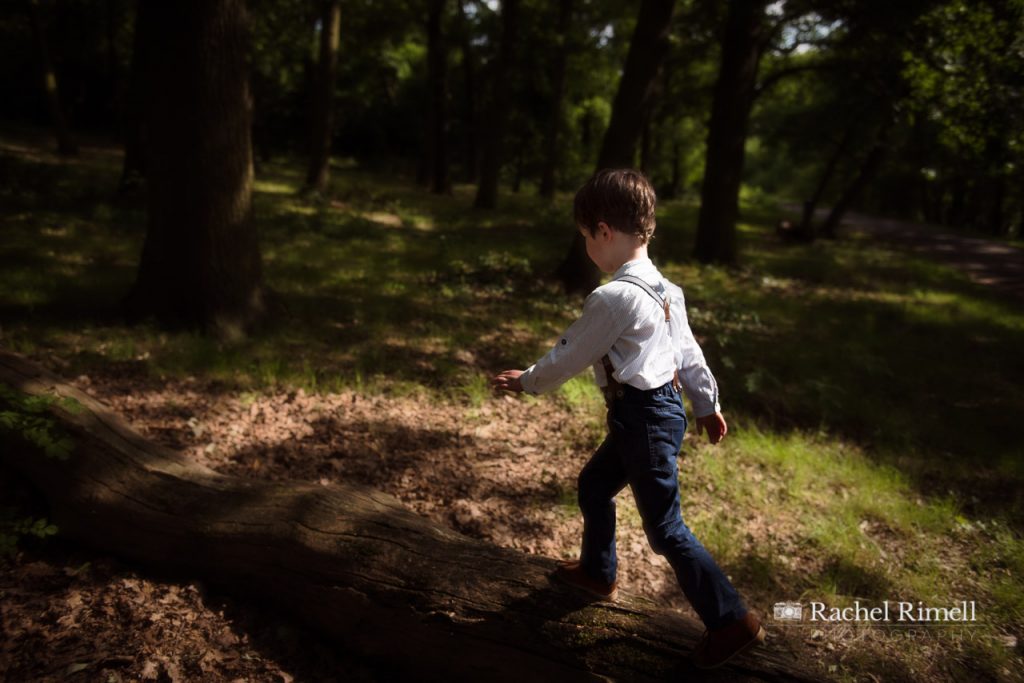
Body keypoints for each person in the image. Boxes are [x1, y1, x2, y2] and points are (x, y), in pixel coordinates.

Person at [489, 169, 765, 669]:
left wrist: (527, 380)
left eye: (586, 240)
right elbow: (690, 355)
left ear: (603, 232)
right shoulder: (665, 289)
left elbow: (569, 355)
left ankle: (730, 621)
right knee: (595, 485)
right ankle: (598, 572)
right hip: (654, 414)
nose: (588, 250)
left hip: (643, 419)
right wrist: (706, 405)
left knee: (665, 529)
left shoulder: (614, 297)